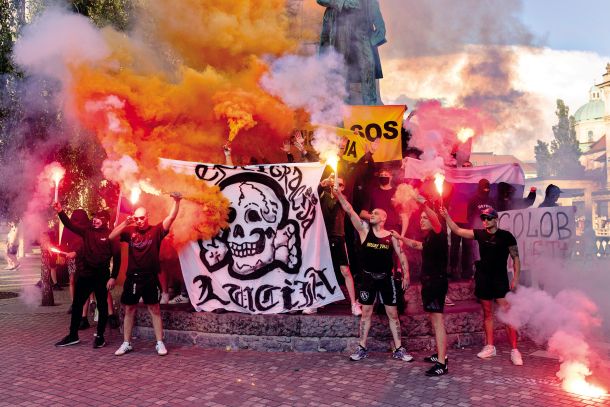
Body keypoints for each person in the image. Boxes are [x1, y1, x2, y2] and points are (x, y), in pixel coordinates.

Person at [334, 182, 412, 362]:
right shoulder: (364, 232)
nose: (372, 214)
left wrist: (406, 274)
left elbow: (402, 255)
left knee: (393, 314)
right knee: (366, 313)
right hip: (368, 279)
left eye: (376, 213)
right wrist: (339, 195)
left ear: (383, 218)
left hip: (386, 279)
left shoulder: (390, 235)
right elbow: (349, 210)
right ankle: (362, 347)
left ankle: (399, 348)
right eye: (372, 212)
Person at [440, 206, 523, 366]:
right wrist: (446, 216)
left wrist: (516, 277)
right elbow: (457, 230)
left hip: (500, 279)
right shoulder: (479, 233)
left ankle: (514, 350)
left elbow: (516, 258)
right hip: (484, 278)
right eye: (483, 218)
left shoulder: (506, 236)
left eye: (488, 218)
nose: (485, 221)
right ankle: (490, 346)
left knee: (508, 314)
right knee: (487, 313)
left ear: (495, 219)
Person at [109, 192, 182, 356]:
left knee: (154, 309)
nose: (140, 221)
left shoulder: (156, 230)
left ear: (147, 216)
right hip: (133, 278)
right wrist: (125, 222)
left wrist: (177, 202)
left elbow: (171, 217)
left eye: (142, 218)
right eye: (137, 218)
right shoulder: (129, 231)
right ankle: (126, 343)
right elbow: (111, 236)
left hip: (150, 278)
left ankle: (159, 343)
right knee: (129, 309)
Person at [391, 195, 448, 376]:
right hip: (430, 283)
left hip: (436, 283)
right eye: (421, 218)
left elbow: (434, 219)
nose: (422, 221)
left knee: (438, 323)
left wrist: (423, 202)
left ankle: (442, 363)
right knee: (434, 320)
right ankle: (441, 355)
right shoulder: (431, 238)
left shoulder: (439, 233)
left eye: (425, 218)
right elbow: (417, 245)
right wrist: (401, 237)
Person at [53, 203, 118, 349]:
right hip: (85, 275)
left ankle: (100, 336)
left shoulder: (111, 235)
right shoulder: (87, 231)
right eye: (94, 216)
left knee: (102, 306)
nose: (95, 219)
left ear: (106, 220)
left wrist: (113, 277)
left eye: (99, 218)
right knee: (77, 304)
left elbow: (117, 258)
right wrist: (60, 212)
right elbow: (70, 225)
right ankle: (72, 335)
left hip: (102, 276)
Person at [318, 0, 386, 105]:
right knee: (341, 65)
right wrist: (343, 3)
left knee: (368, 64)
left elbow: (373, 5)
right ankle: (343, 105)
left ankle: (371, 105)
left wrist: (380, 28)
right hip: (341, 27)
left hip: (362, 29)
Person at [311, 174, 361, 316]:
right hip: (323, 238)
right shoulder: (323, 196)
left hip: (338, 238)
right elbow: (309, 194)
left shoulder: (342, 199)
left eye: (341, 185)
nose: (337, 186)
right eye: (335, 183)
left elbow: (348, 208)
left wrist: (338, 193)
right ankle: (314, 302)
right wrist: (322, 184)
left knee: (345, 271)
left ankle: (353, 304)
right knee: (317, 270)